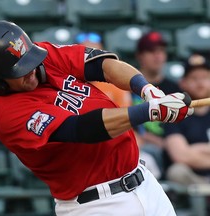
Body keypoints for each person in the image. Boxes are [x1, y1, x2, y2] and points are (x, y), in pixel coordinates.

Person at [0, 20, 194, 216]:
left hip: (144, 183)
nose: (31, 70)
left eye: (30, 61)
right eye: (20, 70)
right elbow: (82, 129)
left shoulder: (40, 56)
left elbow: (102, 65)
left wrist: (146, 90)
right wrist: (148, 112)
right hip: (97, 204)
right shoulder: (5, 113)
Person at [133, 31, 182, 178]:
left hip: (171, 147)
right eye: (151, 51)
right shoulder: (128, 86)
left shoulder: (174, 88)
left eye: (161, 51)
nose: (157, 55)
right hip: (141, 146)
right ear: (140, 56)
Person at [163, 54, 210, 185]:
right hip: (194, 179)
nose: (200, 83)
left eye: (205, 77)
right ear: (183, 83)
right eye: (194, 78)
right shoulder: (175, 115)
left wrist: (195, 149)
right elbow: (180, 155)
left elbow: (187, 153)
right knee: (177, 171)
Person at [75, 31, 132, 107]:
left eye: (92, 54)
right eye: (84, 54)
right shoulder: (64, 82)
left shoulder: (115, 85)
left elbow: (126, 115)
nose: (88, 60)